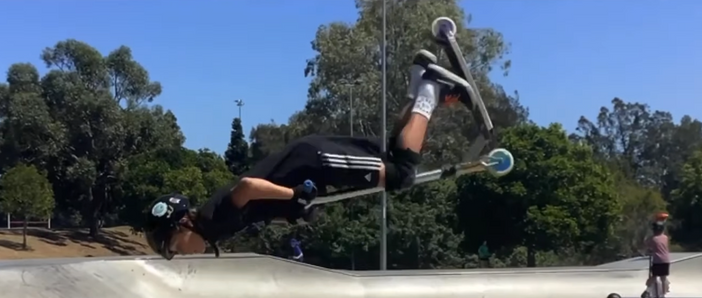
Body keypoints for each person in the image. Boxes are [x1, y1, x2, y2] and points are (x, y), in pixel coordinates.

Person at [143, 50, 476, 260]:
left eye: (173, 247)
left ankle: (430, 90)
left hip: (315, 163)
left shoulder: (213, 221)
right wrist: (293, 211)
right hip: (310, 160)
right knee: (393, 152)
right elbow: (257, 207)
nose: (180, 253)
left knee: (402, 174)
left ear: (183, 224)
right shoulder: (214, 224)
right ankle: (419, 76)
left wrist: (294, 194)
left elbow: (247, 187)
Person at [644, 219, 671, 298]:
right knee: (663, 278)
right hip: (666, 260)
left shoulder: (653, 239)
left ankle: (648, 290)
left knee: (654, 277)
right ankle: (663, 295)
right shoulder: (666, 238)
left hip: (657, 260)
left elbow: (647, 244)